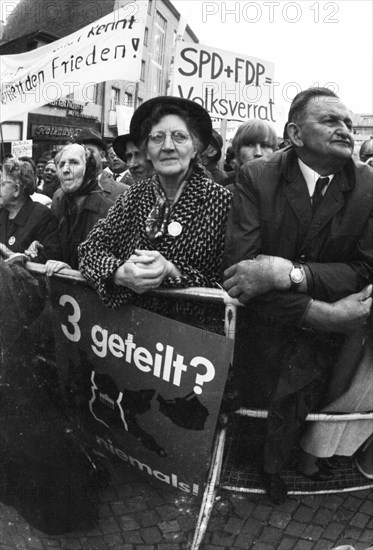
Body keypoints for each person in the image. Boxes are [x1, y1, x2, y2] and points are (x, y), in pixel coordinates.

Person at [223, 87, 373, 503]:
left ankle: (275, 470)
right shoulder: (257, 176)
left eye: (347, 122)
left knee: (298, 401)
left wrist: (287, 273)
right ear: (295, 132)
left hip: (318, 343)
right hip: (266, 326)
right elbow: (242, 274)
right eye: (330, 121)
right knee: (254, 406)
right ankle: (253, 468)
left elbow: (363, 271)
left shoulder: (366, 184)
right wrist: (325, 313)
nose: (344, 129)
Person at [78, 96, 232, 321]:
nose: (168, 146)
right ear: (147, 151)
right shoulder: (132, 198)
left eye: (180, 137)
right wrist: (119, 273)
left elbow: (227, 287)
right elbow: (88, 250)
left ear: (195, 148)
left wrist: (172, 271)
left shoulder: (221, 202)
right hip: (132, 341)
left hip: (191, 345)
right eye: (157, 138)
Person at [46, 143, 114, 274]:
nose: (65, 170)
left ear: (88, 169)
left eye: (74, 163)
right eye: (61, 164)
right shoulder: (59, 205)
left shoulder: (109, 210)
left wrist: (71, 271)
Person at [0, 158, 61, 262]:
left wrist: (10, 253)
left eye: (2, 184)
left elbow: (51, 258)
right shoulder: (2, 212)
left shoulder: (42, 215)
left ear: (16, 190)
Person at [73, 128, 129, 199]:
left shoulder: (122, 192)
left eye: (90, 151)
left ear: (102, 155)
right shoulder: (65, 191)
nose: (84, 156)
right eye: (80, 152)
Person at [225, 119, 278, 189]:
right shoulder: (224, 193)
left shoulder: (287, 192)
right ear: (237, 151)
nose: (258, 153)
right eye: (250, 145)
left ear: (275, 151)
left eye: (265, 145)